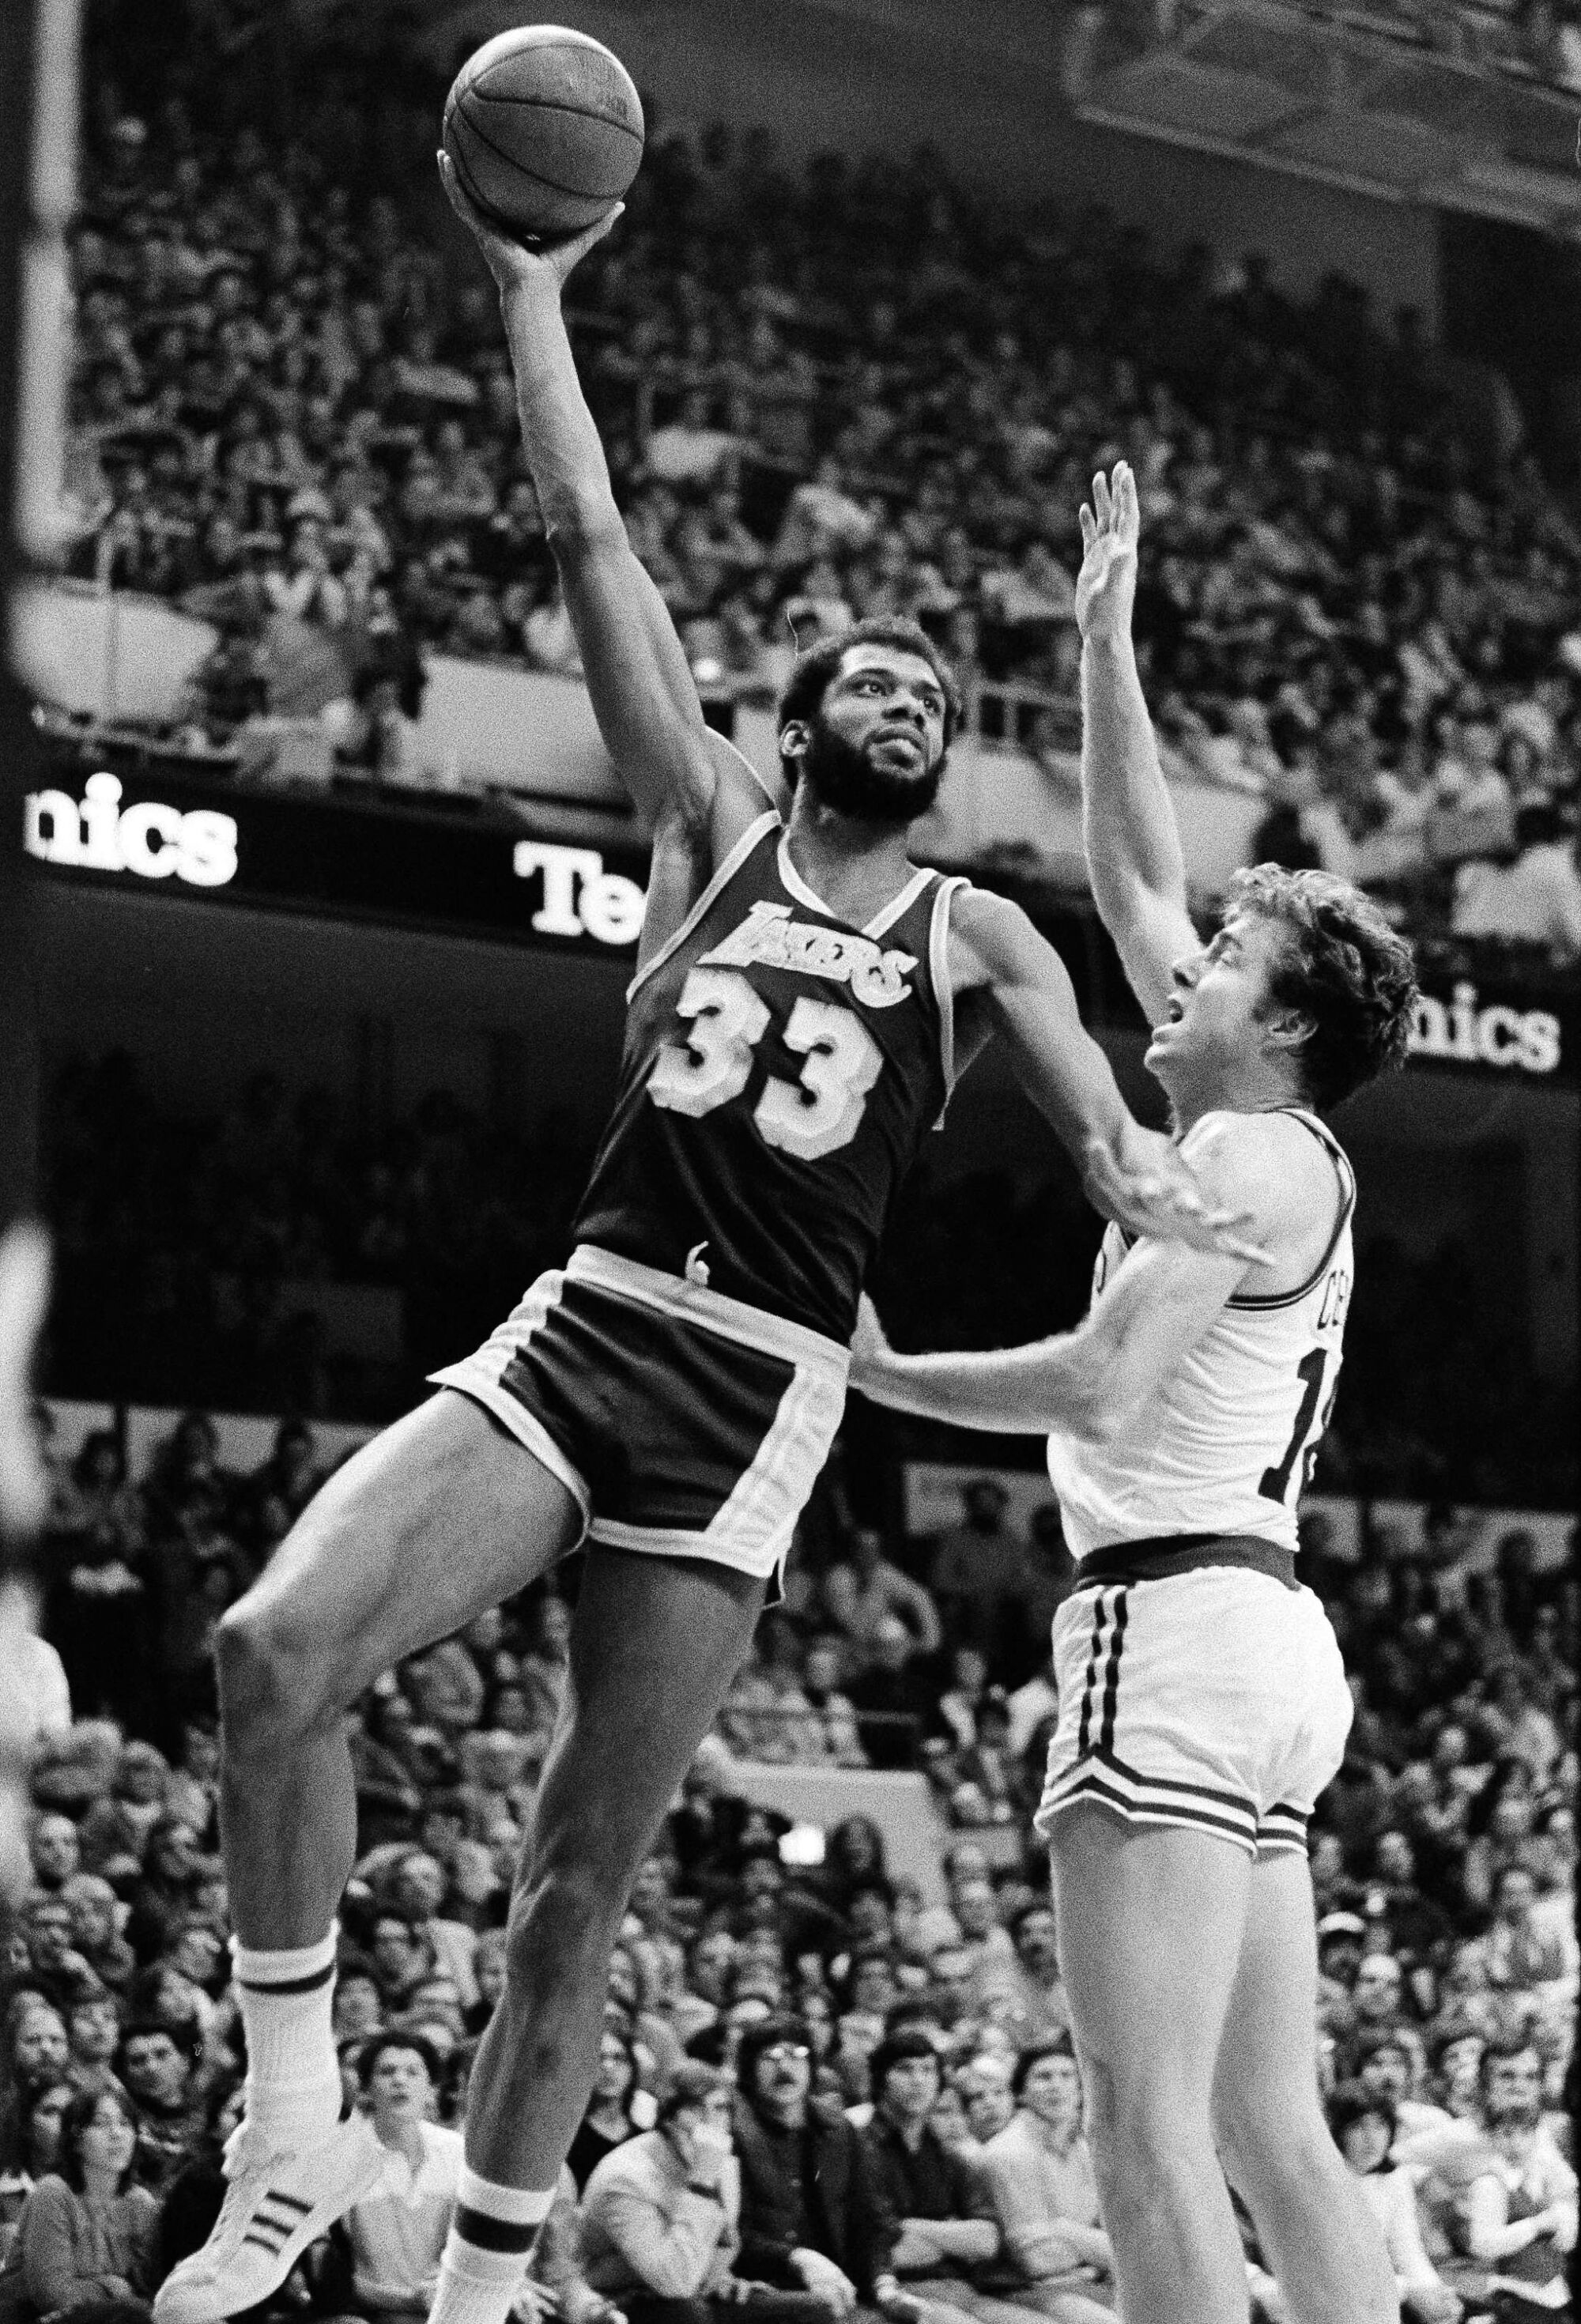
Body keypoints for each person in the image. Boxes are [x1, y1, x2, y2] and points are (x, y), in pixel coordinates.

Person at [153, 179, 1247, 2324]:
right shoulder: (709, 822)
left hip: (761, 1401)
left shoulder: (982, 933)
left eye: (942, 691)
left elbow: (1125, 1147)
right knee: (273, 1651)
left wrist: (1188, 1185)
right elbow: (591, 542)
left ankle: (474, 2301)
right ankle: (287, 2123)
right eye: (874, 676)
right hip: (593, 1328)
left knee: (577, 1896)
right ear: (798, 713)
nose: (913, 699)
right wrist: (530, 291)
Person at [851, 462, 1421, 2324]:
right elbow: (1129, 868)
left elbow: (1096, 1386)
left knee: (1137, 2129)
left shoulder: (1246, 1156)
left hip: (1168, 1625)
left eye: (1222, 969)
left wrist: (863, 1368)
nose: (1172, 976)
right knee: (1274, 2125)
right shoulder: (1253, 1129)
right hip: (1258, 1637)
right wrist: (1102, 638)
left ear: (1274, 1025)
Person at [579, 2062, 740, 2324]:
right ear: (669, 2119)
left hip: (684, 2287)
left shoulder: (721, 2162)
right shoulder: (626, 2177)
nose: (711, 2121)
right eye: (695, 2109)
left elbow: (728, 2243)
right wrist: (701, 2182)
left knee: (813, 2309)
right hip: (609, 2301)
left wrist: (720, 2276)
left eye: (720, 2108)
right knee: (689, 2315)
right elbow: (675, 2283)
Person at [0, 2086, 157, 2324]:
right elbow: (53, 2296)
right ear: (76, 2139)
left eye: (125, 2124)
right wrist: (115, 2288)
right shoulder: (53, 2192)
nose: (116, 2134)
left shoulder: (141, 2203)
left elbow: (155, 2290)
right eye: (101, 2124)